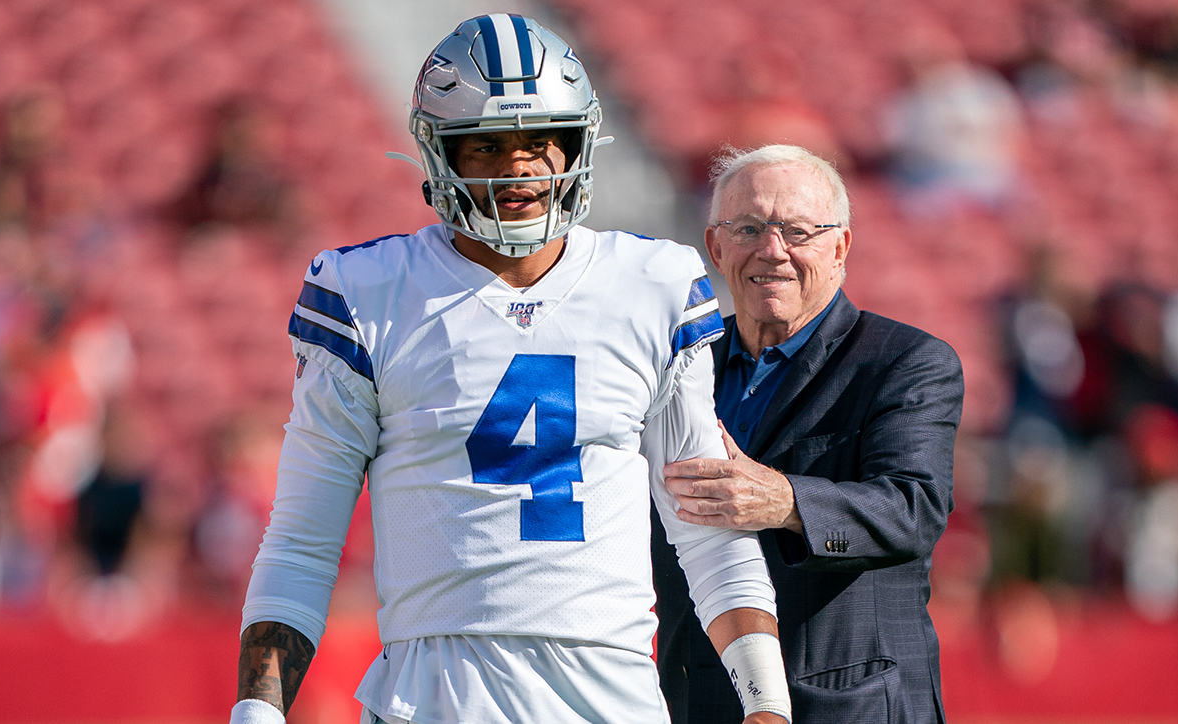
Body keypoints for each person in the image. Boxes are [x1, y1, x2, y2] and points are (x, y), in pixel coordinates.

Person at [229, 15, 790, 724]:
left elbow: (707, 527)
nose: (519, 167)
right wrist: (258, 712)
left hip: (610, 694)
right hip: (434, 697)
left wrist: (767, 704)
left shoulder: (653, 283)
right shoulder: (366, 291)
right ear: (441, 155)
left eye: (538, 141)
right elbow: (304, 539)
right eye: (487, 145)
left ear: (576, 144)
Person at [651, 145, 964, 724]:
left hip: (847, 708)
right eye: (748, 228)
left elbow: (913, 510)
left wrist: (785, 500)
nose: (772, 251)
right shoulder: (676, 365)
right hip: (694, 702)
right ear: (716, 248)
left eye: (797, 231)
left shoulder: (906, 362)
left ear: (840, 247)